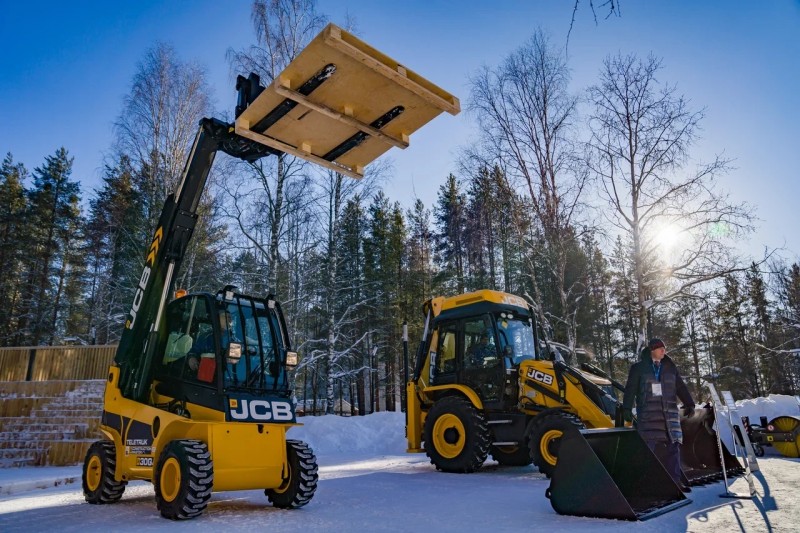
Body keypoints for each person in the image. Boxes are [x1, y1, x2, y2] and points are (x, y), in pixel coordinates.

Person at [622, 337, 696, 493]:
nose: (664, 351)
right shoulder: (639, 368)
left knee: (673, 448)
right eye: (660, 348)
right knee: (648, 451)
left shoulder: (670, 367)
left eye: (664, 348)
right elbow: (630, 389)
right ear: (652, 350)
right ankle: (646, 484)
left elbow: (680, 386)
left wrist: (689, 403)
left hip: (669, 416)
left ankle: (675, 482)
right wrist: (627, 408)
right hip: (648, 416)